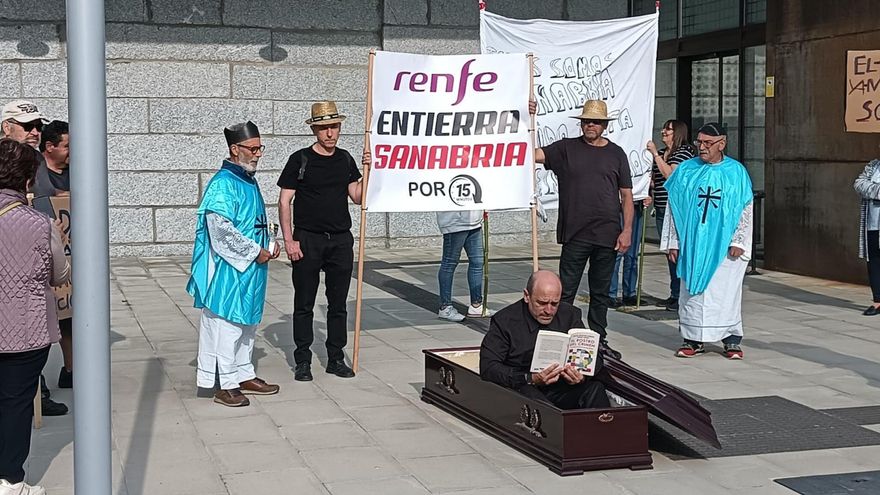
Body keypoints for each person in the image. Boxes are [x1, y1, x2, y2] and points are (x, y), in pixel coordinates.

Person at [186, 121, 281, 407]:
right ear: (234, 149)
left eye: (260, 148)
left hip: (252, 266)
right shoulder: (224, 184)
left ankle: (243, 373)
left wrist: (268, 245)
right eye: (252, 149)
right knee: (227, 324)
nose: (257, 154)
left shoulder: (247, 180)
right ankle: (225, 382)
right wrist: (254, 251)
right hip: (229, 268)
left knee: (247, 322)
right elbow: (220, 229)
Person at [531, 99, 634, 347]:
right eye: (587, 121)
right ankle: (559, 334)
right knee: (565, 291)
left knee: (600, 293)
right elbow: (531, 154)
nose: (590, 125)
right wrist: (528, 119)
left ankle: (599, 338)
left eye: (596, 122)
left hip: (608, 233)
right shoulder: (566, 149)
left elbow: (627, 195)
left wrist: (627, 229)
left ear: (604, 125)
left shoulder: (616, 153)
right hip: (576, 233)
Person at [0, 138, 70, 495]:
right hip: (22, 330)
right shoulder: (39, 223)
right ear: (28, 180)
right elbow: (60, 276)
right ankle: (10, 480)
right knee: (15, 404)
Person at [277, 101, 363, 382]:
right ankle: (302, 360)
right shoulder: (299, 159)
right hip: (308, 239)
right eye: (324, 128)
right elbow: (285, 200)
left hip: (339, 240)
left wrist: (370, 169)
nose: (330, 133)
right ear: (314, 129)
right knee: (304, 303)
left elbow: (358, 196)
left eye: (334, 127)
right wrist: (289, 240)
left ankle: (335, 358)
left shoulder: (346, 159)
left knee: (338, 303)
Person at [660, 122, 752, 359]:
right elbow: (674, 206)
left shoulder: (736, 172)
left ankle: (731, 340)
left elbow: (745, 207)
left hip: (723, 244)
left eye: (707, 143)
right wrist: (673, 241)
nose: (702, 147)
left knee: (724, 292)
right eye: (699, 142)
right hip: (692, 243)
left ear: (722, 144)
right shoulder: (686, 170)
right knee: (692, 294)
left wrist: (739, 240)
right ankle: (692, 339)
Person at [1, 100, 67, 417]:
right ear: (7, 127)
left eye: (38, 126)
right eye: (27, 126)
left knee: (28, 327)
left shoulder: (37, 161)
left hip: (33, 249)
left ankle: (36, 390)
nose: (35, 132)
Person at [479, 270, 610, 409]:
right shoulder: (505, 321)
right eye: (541, 303)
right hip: (524, 385)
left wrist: (581, 375)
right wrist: (530, 378)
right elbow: (488, 367)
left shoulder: (569, 315)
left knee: (595, 389)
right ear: (527, 296)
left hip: (561, 386)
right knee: (539, 405)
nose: (549, 310)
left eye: (554, 303)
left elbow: (595, 357)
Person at [37, 121, 74, 387]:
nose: (73, 151)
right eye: (67, 146)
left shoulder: (77, 171)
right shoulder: (37, 174)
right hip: (46, 251)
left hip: (73, 255)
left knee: (71, 317)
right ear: (50, 147)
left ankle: (71, 371)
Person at [647, 120, 696, 311]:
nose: (663, 132)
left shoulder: (683, 152)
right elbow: (655, 178)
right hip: (661, 208)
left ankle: (683, 293)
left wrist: (654, 155)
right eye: (664, 128)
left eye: (668, 129)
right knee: (670, 253)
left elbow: (670, 175)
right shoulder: (661, 153)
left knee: (679, 252)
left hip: (677, 210)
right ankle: (675, 293)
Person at [436, 210, 491, 321]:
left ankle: (476, 305)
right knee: (449, 263)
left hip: (474, 222)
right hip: (454, 223)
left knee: (478, 262)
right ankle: (445, 306)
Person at [608, 195, 651, 308]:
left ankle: (629, 293)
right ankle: (610, 294)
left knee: (632, 255)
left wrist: (649, 193)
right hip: (619, 206)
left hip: (638, 206)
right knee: (617, 253)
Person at [854, 157, 880, 316]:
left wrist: (872, 190)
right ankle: (877, 301)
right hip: (873, 223)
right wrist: (878, 191)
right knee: (874, 261)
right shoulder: (874, 165)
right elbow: (858, 183)